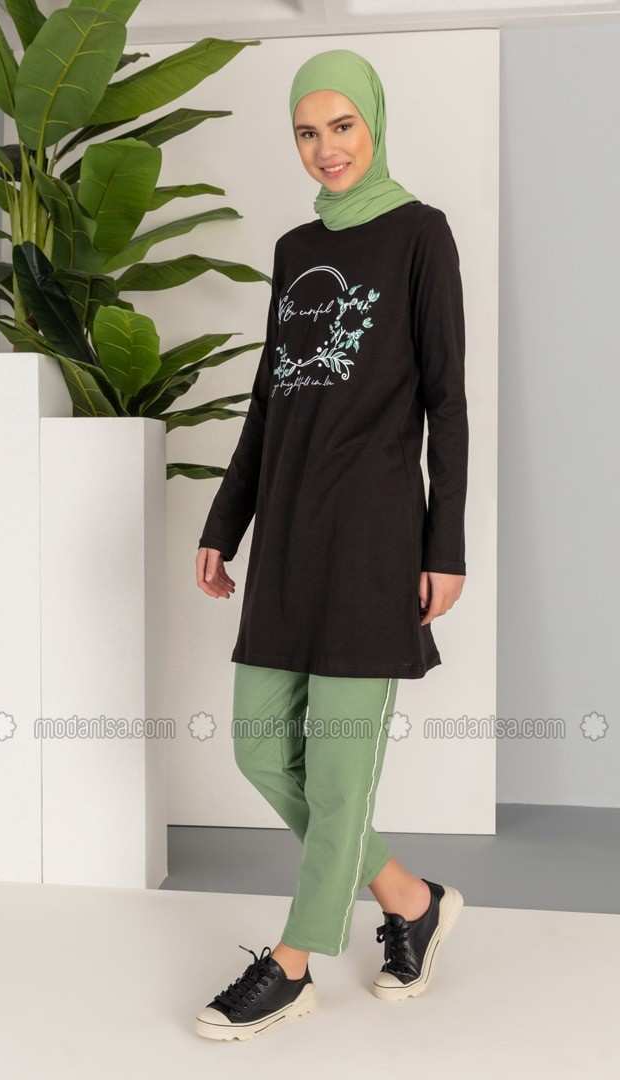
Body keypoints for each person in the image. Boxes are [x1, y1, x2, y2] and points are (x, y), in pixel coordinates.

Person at [193, 48, 467, 1042]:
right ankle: (409, 901)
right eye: (306, 132)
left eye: (340, 125)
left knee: (341, 775)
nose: (325, 148)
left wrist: (445, 544)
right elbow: (270, 403)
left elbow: (446, 400)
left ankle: (292, 963)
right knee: (260, 746)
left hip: (373, 542)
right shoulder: (293, 248)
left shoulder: (420, 234)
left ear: (373, 123)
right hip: (288, 536)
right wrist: (224, 523)